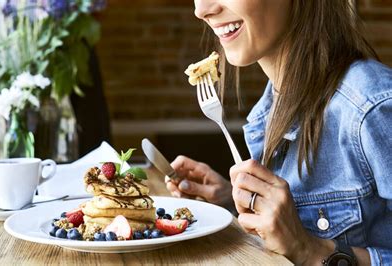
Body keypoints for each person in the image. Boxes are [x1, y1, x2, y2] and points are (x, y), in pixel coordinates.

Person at [166, 1, 392, 265]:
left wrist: (309, 250)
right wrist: (234, 200)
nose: (201, 10)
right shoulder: (272, 106)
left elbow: (301, 246)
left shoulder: (372, 108)